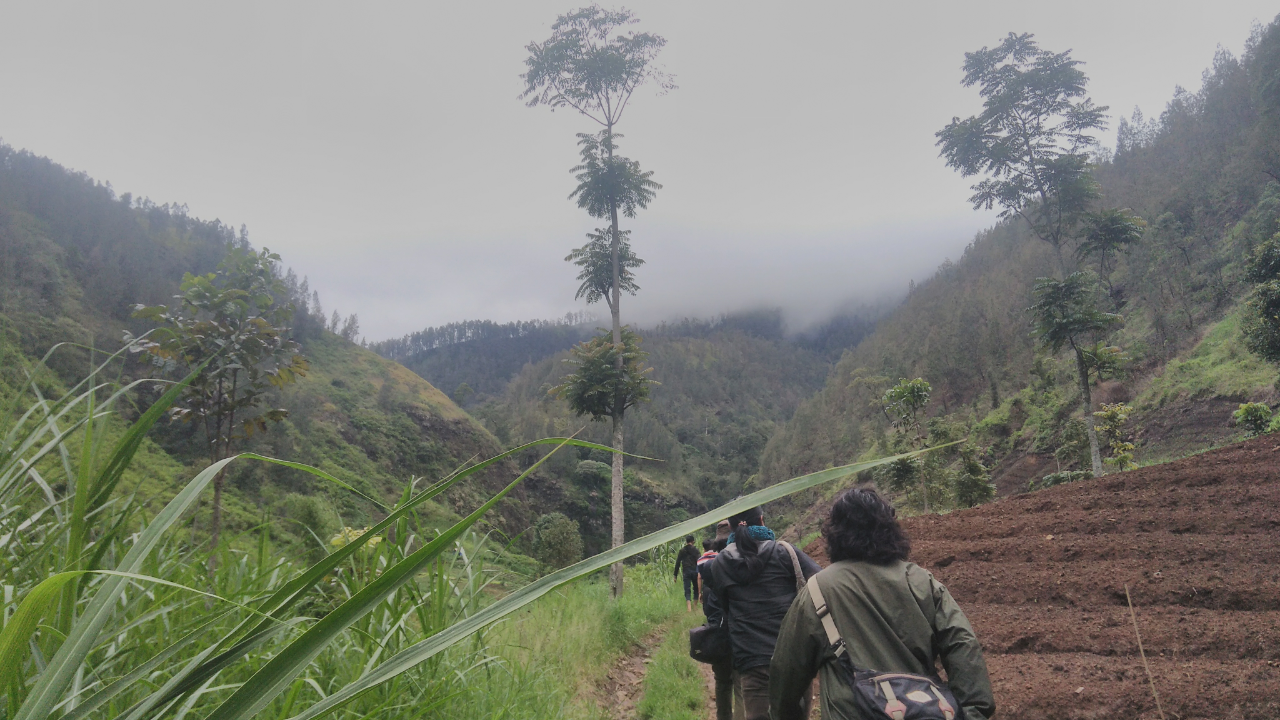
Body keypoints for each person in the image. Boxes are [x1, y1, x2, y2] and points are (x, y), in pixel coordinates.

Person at [769, 488, 995, 720]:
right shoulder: (921, 581)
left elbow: (786, 671)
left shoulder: (818, 590)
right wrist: (973, 712)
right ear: (889, 530)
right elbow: (962, 644)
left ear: (834, 535)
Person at [706, 506, 820, 720]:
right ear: (761, 520)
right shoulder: (786, 552)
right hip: (793, 659)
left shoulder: (721, 563)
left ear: (730, 527)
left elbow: (725, 605)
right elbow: (820, 584)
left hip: (752, 662)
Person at [696, 537, 735, 720]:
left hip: (719, 638)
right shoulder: (745, 570)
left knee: (723, 683)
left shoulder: (710, 572)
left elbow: (709, 612)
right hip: (742, 638)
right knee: (743, 686)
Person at [674, 535, 700, 612]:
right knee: (696, 588)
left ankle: (689, 608)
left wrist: (675, 575)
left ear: (686, 542)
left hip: (686, 571)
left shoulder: (682, 550)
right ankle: (695, 606)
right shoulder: (696, 550)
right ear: (693, 541)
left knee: (687, 589)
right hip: (695, 570)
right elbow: (699, 561)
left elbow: (678, 563)